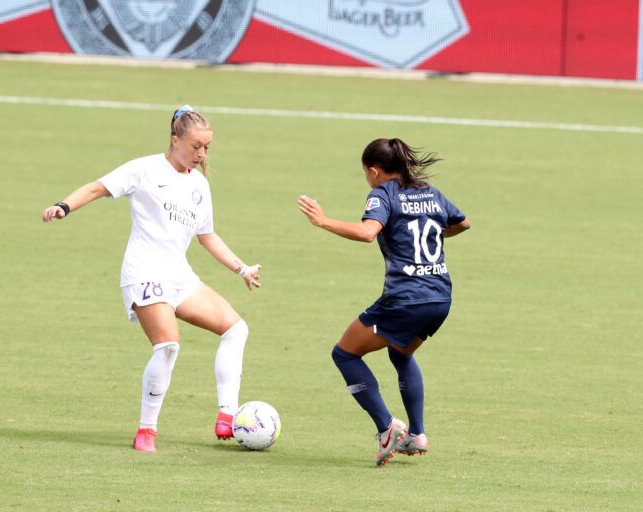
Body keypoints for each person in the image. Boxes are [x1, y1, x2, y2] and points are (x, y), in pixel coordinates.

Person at [42, 105, 262, 452]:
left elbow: (207, 236)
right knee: (168, 345)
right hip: (144, 272)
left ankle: (227, 415)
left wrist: (242, 268)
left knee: (236, 329)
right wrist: (63, 206)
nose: (201, 153)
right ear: (175, 140)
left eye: (207, 147)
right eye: (195, 145)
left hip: (179, 277)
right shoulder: (144, 169)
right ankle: (147, 431)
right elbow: (97, 188)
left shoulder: (199, 185)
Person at [298, 137, 470, 467]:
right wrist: (426, 227)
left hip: (406, 299)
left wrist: (323, 221)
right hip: (440, 298)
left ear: (374, 171)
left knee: (344, 353)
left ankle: (387, 428)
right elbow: (462, 223)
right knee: (401, 352)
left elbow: (367, 232)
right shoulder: (429, 192)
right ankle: (416, 433)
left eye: (366, 173)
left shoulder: (383, 194)